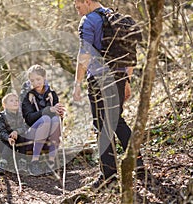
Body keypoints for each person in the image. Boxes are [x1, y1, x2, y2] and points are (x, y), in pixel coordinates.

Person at [72, 0, 144, 188]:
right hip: (120, 77)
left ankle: (109, 176)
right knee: (116, 120)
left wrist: (77, 83)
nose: (78, 12)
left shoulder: (88, 21)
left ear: (86, 2)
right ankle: (138, 163)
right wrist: (127, 81)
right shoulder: (116, 18)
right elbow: (129, 53)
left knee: (101, 125)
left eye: (78, 7)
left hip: (99, 79)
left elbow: (84, 54)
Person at [21, 64, 65, 176]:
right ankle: (34, 162)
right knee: (45, 119)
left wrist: (60, 114)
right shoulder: (26, 96)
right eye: (32, 80)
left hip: (48, 137)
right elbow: (29, 119)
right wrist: (48, 109)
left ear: (44, 78)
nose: (36, 83)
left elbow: (57, 117)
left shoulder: (52, 94)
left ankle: (51, 162)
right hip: (31, 136)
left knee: (55, 119)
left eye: (38, 79)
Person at [0, 93, 28, 174]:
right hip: (5, 139)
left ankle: (22, 161)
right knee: (8, 143)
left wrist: (17, 131)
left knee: (23, 138)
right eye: (11, 101)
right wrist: (8, 138)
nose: (15, 102)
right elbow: (1, 131)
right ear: (5, 105)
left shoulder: (21, 115)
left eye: (16, 100)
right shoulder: (2, 116)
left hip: (19, 138)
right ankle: (3, 162)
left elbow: (25, 127)